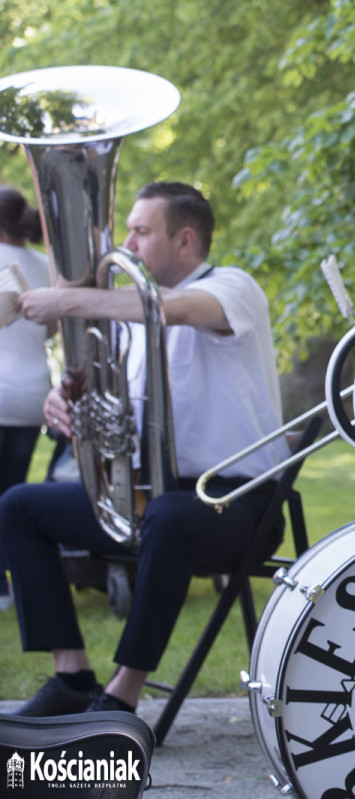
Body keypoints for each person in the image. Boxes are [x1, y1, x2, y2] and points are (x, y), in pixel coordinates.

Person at [1, 181, 289, 716]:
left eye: (140, 231)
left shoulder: (232, 287)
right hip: (148, 497)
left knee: (168, 513)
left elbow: (171, 310)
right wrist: (62, 409)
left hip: (240, 501)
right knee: (20, 507)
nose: (125, 245)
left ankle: (121, 694)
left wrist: (66, 298)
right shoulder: (129, 323)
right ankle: (72, 677)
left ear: (184, 240)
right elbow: (116, 412)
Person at [0, 187, 53, 612]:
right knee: (11, 489)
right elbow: (51, 330)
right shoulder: (45, 264)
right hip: (33, 390)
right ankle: (9, 585)